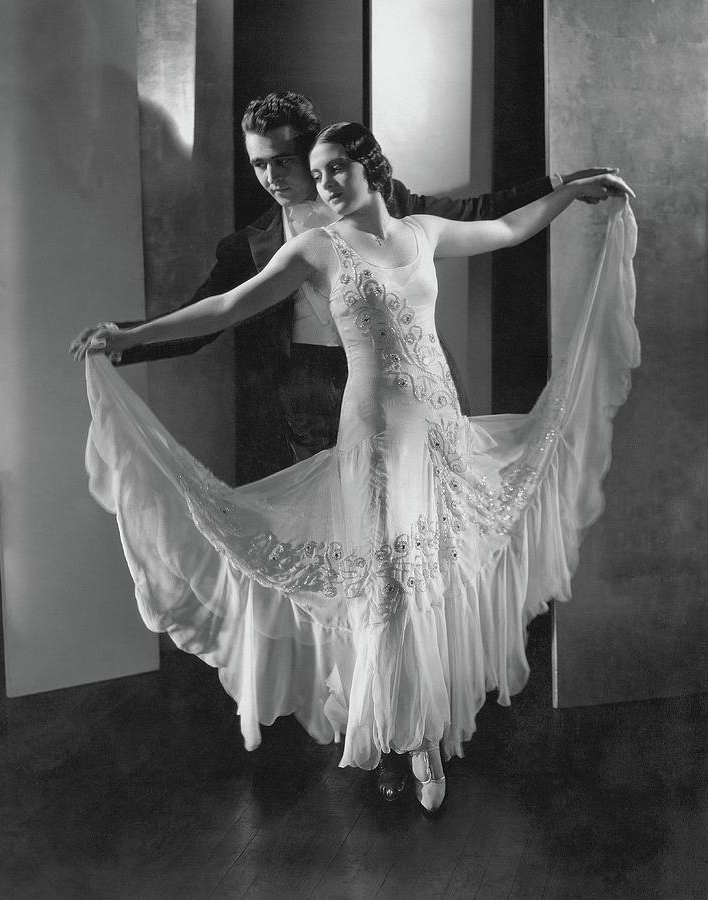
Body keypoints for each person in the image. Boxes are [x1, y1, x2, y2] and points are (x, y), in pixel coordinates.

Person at [74, 123, 637, 816]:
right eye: (318, 173)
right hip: (374, 437)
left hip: (438, 429)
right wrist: (129, 336)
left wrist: (571, 190)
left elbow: (509, 228)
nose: (325, 184)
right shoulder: (316, 247)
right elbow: (227, 305)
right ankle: (401, 743)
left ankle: (421, 730)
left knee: (431, 570)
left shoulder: (422, 231)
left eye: (336, 168)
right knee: (389, 581)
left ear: (370, 167)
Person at [71, 90, 618, 486]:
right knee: (346, 548)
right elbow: (211, 315)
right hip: (313, 393)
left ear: (315, 155)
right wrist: (125, 338)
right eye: (258, 164)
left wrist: (563, 186)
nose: (269, 177)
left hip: (415, 389)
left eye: (283, 160)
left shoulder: (391, 205)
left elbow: (487, 217)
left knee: (429, 531)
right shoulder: (250, 247)